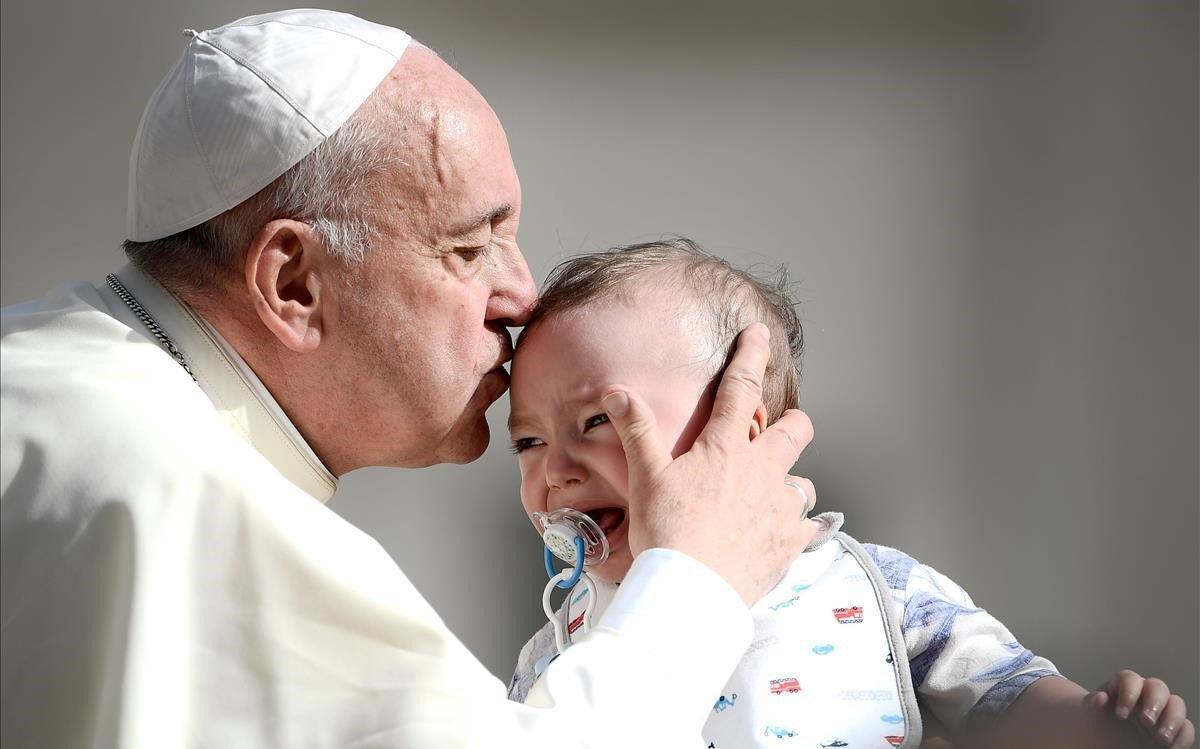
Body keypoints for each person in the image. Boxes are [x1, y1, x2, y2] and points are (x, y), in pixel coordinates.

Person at [0, 11, 820, 747]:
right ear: (294, 285)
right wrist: (696, 579)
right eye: (471, 248)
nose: (522, 295)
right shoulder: (183, 491)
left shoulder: (49, 377)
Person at [505, 238, 1195, 749]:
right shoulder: (562, 649)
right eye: (528, 441)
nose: (556, 469)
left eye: (599, 421)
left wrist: (1094, 723)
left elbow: (1001, 697)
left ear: (738, 430)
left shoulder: (873, 587)